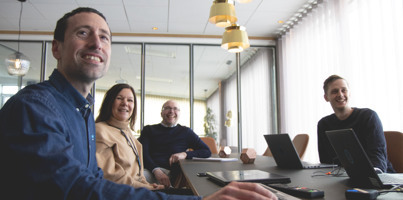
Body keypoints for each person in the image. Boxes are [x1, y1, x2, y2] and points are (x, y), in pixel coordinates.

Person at [0, 7, 278, 200]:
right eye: (83, 33)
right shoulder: (35, 107)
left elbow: (93, 181)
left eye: (104, 37)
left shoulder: (81, 111)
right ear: (57, 48)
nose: (97, 43)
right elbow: (72, 189)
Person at [317, 75, 395, 173]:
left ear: (349, 93)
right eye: (334, 91)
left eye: (344, 90)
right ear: (326, 97)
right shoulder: (324, 124)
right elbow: (326, 162)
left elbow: (378, 156)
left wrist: (371, 175)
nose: (340, 94)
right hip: (344, 177)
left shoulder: (368, 116)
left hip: (379, 177)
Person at [95, 83, 165, 190]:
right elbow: (110, 176)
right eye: (119, 98)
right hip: (120, 193)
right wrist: (147, 188)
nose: (125, 103)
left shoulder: (127, 131)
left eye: (130, 100)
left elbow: (137, 173)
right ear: (109, 102)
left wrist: (148, 185)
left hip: (136, 190)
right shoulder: (100, 130)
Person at [139, 100, 211, 188]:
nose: (171, 111)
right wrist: (156, 170)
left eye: (175, 109)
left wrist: (185, 154)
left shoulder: (186, 132)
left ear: (179, 113)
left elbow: (206, 151)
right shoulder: (148, 130)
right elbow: (143, 154)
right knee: (130, 181)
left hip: (170, 174)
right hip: (149, 170)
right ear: (161, 113)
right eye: (167, 108)